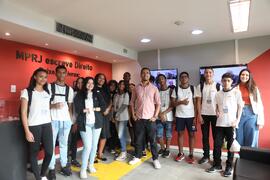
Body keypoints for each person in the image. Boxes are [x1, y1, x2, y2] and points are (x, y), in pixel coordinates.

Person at [206, 73, 243, 177]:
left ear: (232, 82)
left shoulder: (236, 92)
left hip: (231, 124)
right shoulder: (218, 94)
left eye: (228, 80)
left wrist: (237, 121)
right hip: (220, 123)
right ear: (221, 81)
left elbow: (240, 107)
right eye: (224, 80)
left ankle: (229, 166)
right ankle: (217, 164)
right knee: (217, 145)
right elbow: (217, 105)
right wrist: (217, 111)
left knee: (230, 147)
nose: (226, 82)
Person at [21, 68, 53, 180]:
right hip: (33, 125)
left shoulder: (47, 92)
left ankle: (43, 174)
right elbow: (24, 113)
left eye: (45, 77)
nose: (43, 79)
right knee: (33, 153)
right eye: (41, 76)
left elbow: (47, 108)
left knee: (49, 152)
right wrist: (27, 131)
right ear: (35, 77)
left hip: (47, 125)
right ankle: (38, 178)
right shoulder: (27, 92)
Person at [73, 77, 106, 178]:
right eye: (88, 83)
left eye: (92, 83)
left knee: (94, 145)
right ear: (85, 84)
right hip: (85, 123)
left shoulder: (97, 93)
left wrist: (94, 109)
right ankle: (83, 169)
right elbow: (78, 109)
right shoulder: (79, 95)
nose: (90, 85)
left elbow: (103, 107)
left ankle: (90, 165)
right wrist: (86, 110)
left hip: (97, 123)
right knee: (87, 146)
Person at [129, 67, 161, 169]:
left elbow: (158, 104)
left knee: (153, 140)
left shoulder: (154, 88)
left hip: (150, 119)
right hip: (139, 119)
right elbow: (132, 103)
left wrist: (155, 116)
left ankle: (155, 159)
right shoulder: (136, 88)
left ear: (149, 75)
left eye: (147, 73)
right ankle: (137, 156)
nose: (145, 74)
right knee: (138, 139)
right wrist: (133, 115)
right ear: (140, 75)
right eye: (143, 73)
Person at [48, 65, 74, 180]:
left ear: (66, 74)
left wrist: (72, 120)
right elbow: (43, 104)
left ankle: (64, 165)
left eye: (64, 73)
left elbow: (70, 106)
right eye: (59, 72)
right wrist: (53, 105)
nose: (62, 75)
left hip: (66, 121)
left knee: (64, 144)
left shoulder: (70, 89)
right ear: (56, 73)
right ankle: (51, 168)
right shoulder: (49, 87)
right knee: (51, 145)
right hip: (53, 120)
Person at [196, 67, 221, 164]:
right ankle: (206, 156)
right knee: (205, 137)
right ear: (204, 74)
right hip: (204, 115)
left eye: (210, 72)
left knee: (216, 137)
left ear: (213, 74)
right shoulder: (200, 86)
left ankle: (215, 158)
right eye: (206, 72)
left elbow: (220, 101)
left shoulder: (218, 86)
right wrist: (199, 115)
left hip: (215, 115)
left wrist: (219, 112)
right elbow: (198, 102)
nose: (208, 74)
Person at [172, 72, 196, 164]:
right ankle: (181, 153)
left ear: (188, 78)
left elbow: (196, 103)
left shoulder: (193, 88)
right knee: (180, 135)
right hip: (179, 116)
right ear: (180, 79)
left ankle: (191, 154)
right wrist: (181, 102)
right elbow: (173, 103)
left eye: (185, 77)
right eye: (182, 77)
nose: (184, 78)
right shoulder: (176, 89)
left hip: (191, 116)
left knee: (192, 135)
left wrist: (195, 117)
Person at [236, 69, 264, 147]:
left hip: (251, 114)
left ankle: (250, 158)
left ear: (249, 77)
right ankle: (241, 157)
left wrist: (260, 121)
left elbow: (260, 104)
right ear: (239, 76)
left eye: (246, 75)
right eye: (242, 74)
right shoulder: (235, 88)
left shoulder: (254, 88)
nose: (244, 76)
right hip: (239, 115)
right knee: (239, 139)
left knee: (251, 138)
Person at [95, 73, 112, 161]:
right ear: (96, 79)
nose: (101, 80)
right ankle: (93, 155)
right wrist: (102, 110)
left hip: (105, 115)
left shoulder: (106, 89)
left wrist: (107, 110)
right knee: (95, 135)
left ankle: (100, 154)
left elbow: (110, 101)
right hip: (96, 115)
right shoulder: (93, 88)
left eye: (103, 78)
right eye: (99, 78)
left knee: (104, 134)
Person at [156, 74, 173, 158]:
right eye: (159, 79)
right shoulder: (157, 91)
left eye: (162, 78)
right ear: (158, 81)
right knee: (159, 134)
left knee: (168, 134)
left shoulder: (171, 91)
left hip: (168, 117)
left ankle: (168, 149)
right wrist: (159, 114)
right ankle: (162, 148)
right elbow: (156, 104)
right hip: (158, 117)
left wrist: (163, 113)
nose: (161, 80)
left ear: (165, 79)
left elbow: (172, 105)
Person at [68, 77, 84, 168]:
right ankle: (71, 160)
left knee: (76, 141)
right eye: (78, 83)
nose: (80, 84)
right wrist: (74, 123)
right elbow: (73, 110)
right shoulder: (74, 94)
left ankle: (73, 158)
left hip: (83, 122)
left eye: (82, 82)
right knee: (72, 141)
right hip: (74, 122)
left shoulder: (86, 94)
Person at [113, 80, 130, 161]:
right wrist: (113, 115)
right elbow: (114, 106)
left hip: (123, 117)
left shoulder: (126, 94)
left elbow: (124, 105)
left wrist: (117, 114)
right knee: (120, 135)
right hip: (116, 118)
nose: (121, 85)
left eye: (123, 84)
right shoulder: (116, 95)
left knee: (120, 135)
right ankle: (123, 151)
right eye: (120, 84)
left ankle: (123, 153)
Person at [107, 80, 120, 154]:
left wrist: (113, 116)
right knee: (107, 131)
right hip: (106, 115)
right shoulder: (105, 93)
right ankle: (109, 146)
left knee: (114, 131)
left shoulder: (116, 94)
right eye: (111, 85)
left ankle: (112, 146)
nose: (112, 87)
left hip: (114, 115)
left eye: (114, 85)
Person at [128, 83, 136, 147]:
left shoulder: (137, 94)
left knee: (136, 130)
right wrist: (129, 119)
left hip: (137, 115)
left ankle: (136, 142)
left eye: (132, 87)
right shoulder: (128, 96)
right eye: (129, 88)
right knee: (131, 129)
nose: (131, 89)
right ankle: (132, 141)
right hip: (130, 114)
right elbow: (129, 108)